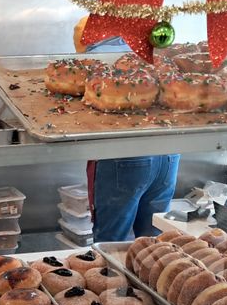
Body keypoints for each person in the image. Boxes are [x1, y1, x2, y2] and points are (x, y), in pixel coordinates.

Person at [73, 17, 181, 241]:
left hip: (121, 157)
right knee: (154, 243)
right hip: (169, 151)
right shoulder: (156, 33)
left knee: (113, 243)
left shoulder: (92, 34)